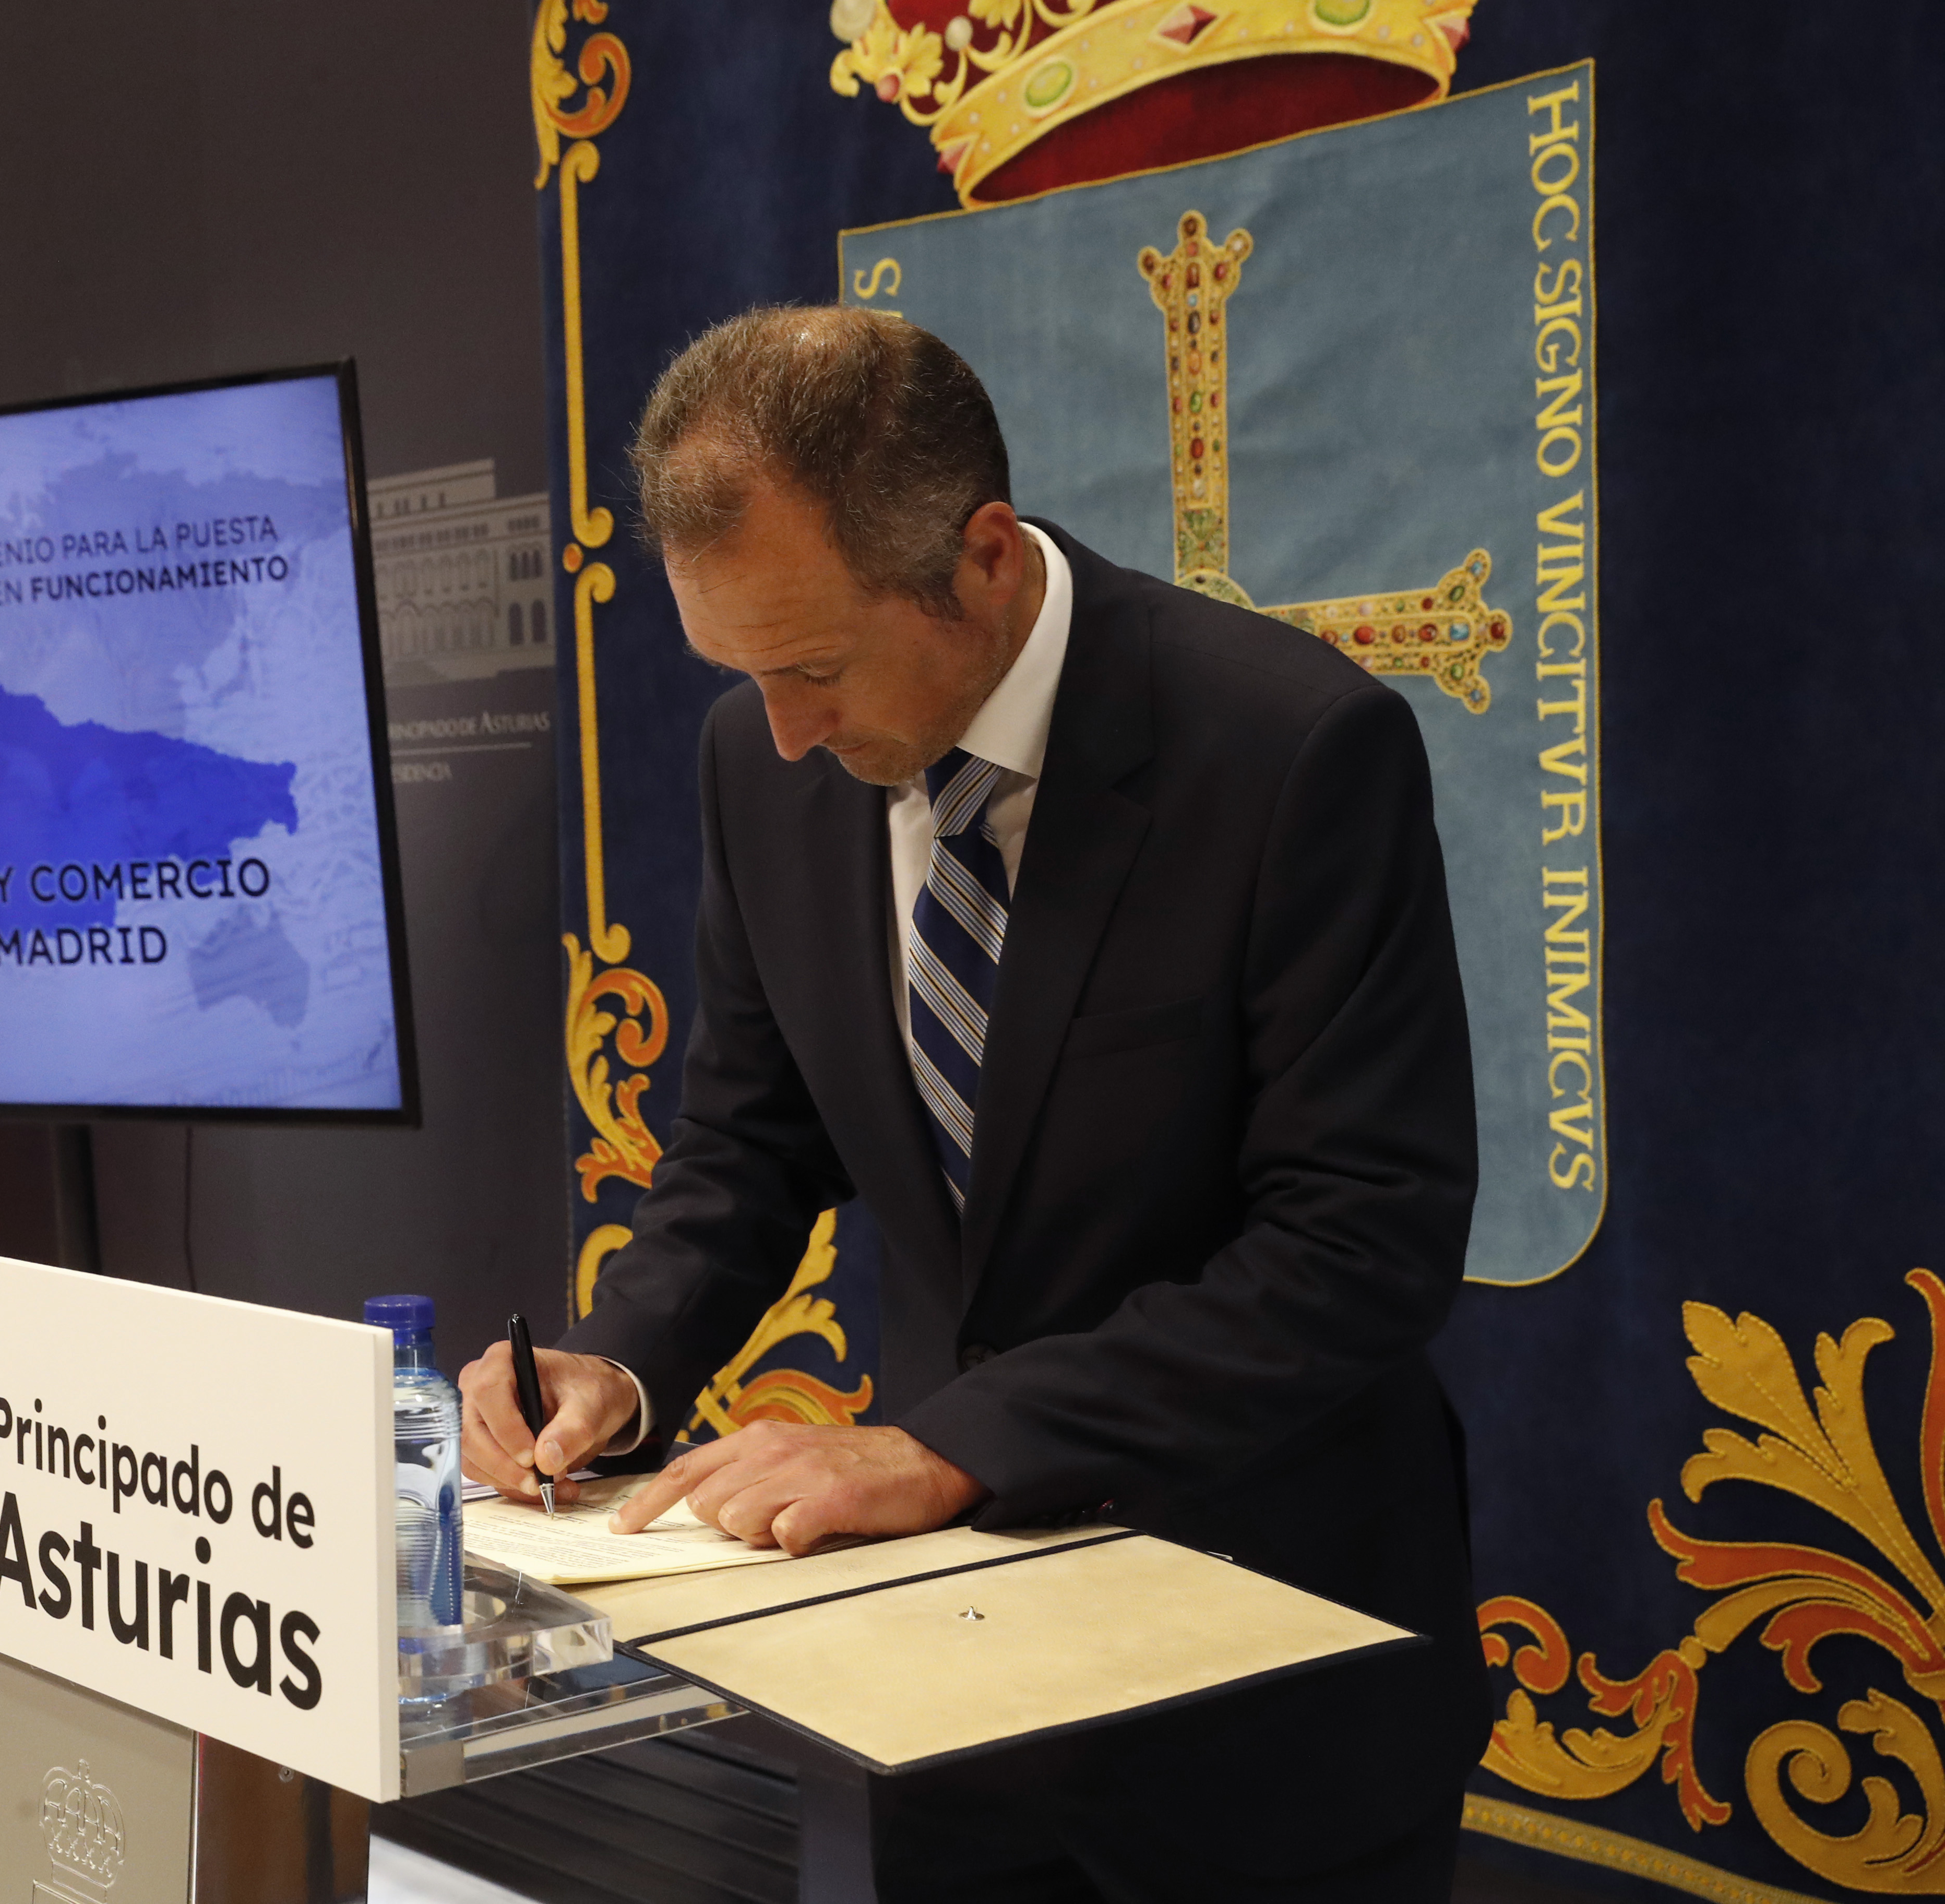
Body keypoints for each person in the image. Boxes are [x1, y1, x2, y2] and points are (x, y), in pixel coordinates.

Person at [460, 308, 1482, 1900]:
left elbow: (1360, 1246)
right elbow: (747, 1145)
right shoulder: (761, 757)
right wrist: (625, 1364)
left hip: (1263, 1685)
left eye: (814, 667)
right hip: (948, 1692)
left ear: (984, 558)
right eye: (743, 673)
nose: (786, 732)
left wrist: (949, 1448)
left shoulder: (1291, 749)